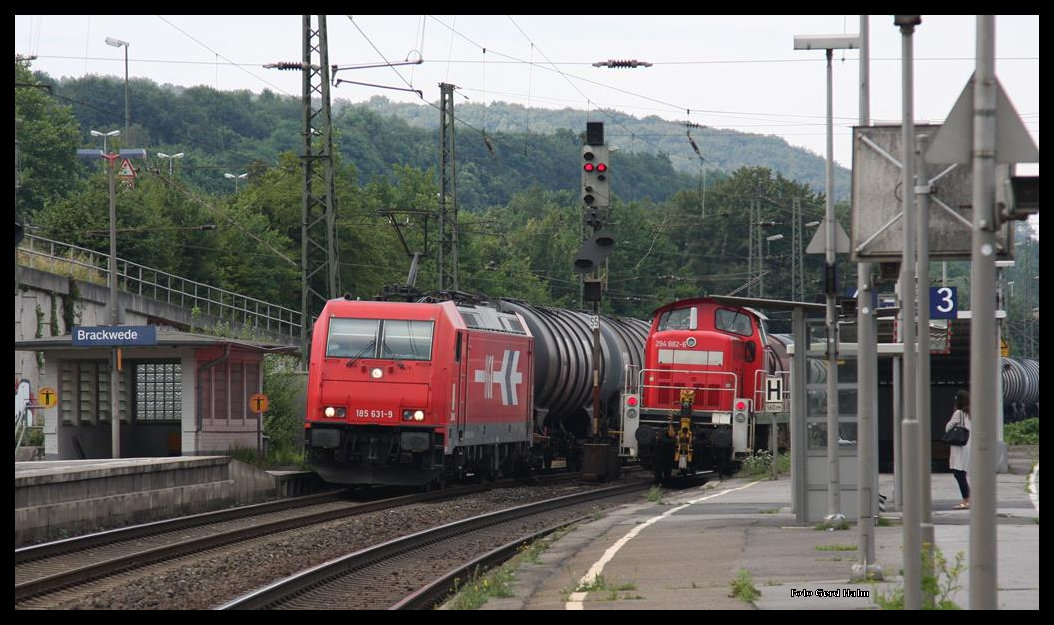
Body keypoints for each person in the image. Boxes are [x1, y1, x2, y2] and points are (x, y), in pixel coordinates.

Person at [946, 389, 971, 509]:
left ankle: (967, 500)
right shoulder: (971, 413)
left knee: (958, 473)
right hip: (968, 445)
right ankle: (968, 499)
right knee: (962, 473)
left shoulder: (958, 413)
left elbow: (948, 428)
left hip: (959, 447)